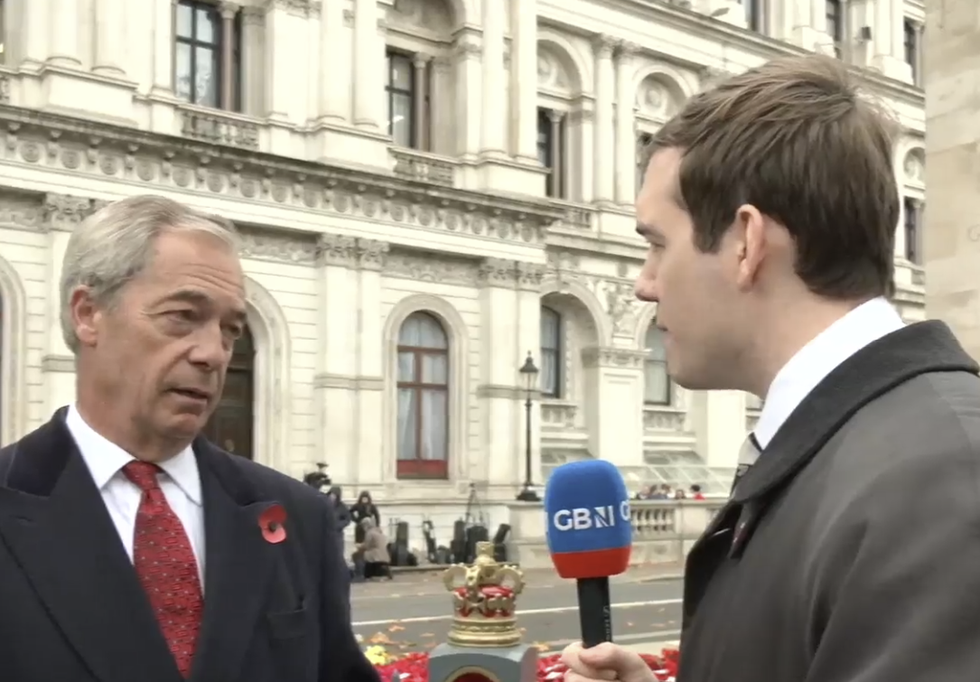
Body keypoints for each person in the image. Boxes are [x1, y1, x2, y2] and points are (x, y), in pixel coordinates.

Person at [562, 53, 980, 682]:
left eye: (657, 244)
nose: (645, 283)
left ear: (745, 243)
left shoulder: (939, 482)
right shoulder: (864, 446)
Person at [0, 195, 379, 682]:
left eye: (230, 330)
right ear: (88, 313)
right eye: (182, 315)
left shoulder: (297, 517)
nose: (213, 354)